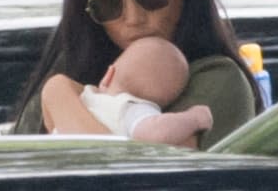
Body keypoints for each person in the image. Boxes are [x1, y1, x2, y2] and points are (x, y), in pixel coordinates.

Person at [12, 0, 262, 149]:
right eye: (109, 4)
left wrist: (59, 97)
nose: (133, 18)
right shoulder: (74, 66)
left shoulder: (219, 79)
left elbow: (126, 180)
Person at [44, 36, 213, 147]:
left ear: (108, 75)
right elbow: (155, 132)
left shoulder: (86, 98)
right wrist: (193, 118)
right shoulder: (132, 109)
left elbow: (51, 125)